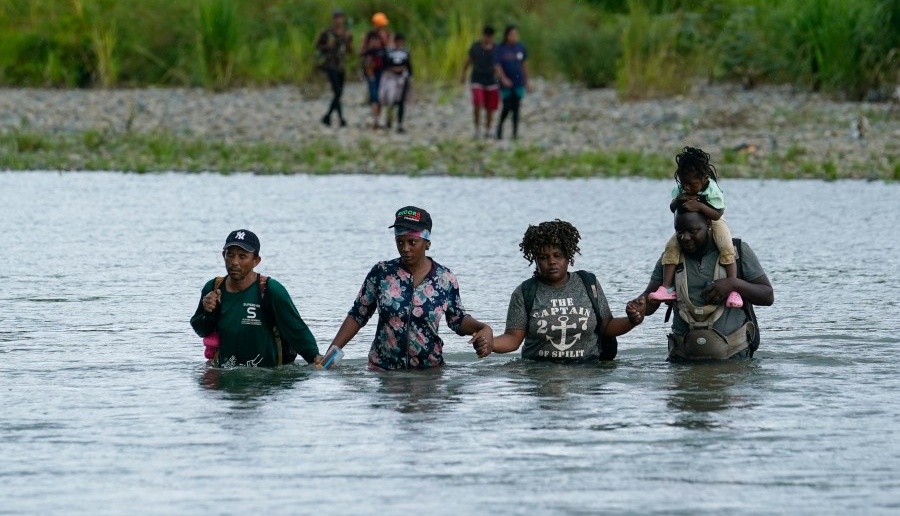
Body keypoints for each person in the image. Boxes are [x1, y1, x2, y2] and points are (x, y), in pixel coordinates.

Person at [324, 206, 494, 370]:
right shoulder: (382, 273)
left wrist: (481, 327)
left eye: (412, 242)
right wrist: (327, 358)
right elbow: (357, 316)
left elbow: (457, 319)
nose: (405, 249)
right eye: (400, 242)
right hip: (383, 371)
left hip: (429, 373)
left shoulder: (445, 279)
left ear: (427, 242)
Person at [626, 206, 774, 361]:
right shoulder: (671, 259)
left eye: (693, 231)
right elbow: (651, 301)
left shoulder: (737, 252)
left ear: (709, 225)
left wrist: (733, 284)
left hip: (734, 361)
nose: (685, 238)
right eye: (679, 232)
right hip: (682, 360)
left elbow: (767, 296)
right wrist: (638, 308)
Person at [489, 220, 643, 362]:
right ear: (535, 260)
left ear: (568, 257)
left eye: (558, 255)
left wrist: (632, 320)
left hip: (588, 372)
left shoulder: (589, 284)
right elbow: (512, 339)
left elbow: (607, 326)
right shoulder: (525, 292)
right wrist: (489, 343)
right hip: (540, 372)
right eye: (544, 257)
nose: (552, 261)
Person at [190, 230, 321, 368]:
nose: (234, 262)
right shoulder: (213, 287)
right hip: (226, 377)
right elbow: (201, 330)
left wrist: (314, 356)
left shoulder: (270, 290)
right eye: (230, 255)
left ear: (256, 261)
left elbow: (296, 330)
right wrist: (209, 313)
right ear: (223, 256)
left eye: (242, 256)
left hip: (268, 378)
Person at [648, 147, 743, 308]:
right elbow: (673, 208)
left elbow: (718, 213)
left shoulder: (712, 189)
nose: (687, 188)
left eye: (691, 184)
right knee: (671, 247)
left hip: (713, 221)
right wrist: (680, 200)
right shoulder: (683, 188)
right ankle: (667, 288)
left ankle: (734, 289)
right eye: (684, 183)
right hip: (690, 226)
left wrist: (699, 206)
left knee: (727, 247)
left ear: (704, 179)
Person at [315, 9, 353, 127]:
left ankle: (329, 117)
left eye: (340, 18)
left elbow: (350, 51)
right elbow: (317, 45)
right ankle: (339, 118)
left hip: (341, 65)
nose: (338, 20)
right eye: (336, 18)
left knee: (339, 93)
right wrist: (327, 46)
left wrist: (349, 42)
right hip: (330, 65)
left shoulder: (346, 33)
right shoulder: (327, 33)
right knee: (337, 92)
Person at [460, 25, 499, 139]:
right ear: (483, 36)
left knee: (490, 108)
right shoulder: (476, 47)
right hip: (477, 78)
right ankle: (477, 128)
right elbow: (468, 61)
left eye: (490, 37)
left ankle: (488, 129)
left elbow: (499, 64)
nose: (488, 39)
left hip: (491, 80)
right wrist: (463, 75)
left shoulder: (496, 48)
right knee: (478, 102)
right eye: (486, 36)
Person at [494, 24, 529, 140]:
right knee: (507, 106)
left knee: (516, 107)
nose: (514, 36)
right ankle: (499, 128)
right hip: (505, 83)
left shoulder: (520, 48)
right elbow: (498, 66)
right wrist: (503, 78)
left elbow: (524, 65)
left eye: (516, 34)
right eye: (512, 34)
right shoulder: (501, 48)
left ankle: (514, 133)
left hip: (518, 82)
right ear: (507, 35)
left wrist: (527, 81)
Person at [379, 32, 413, 133]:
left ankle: (399, 124)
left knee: (401, 101)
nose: (399, 43)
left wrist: (410, 77)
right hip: (391, 77)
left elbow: (409, 65)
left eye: (400, 42)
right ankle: (388, 119)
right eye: (397, 41)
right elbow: (384, 64)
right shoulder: (389, 52)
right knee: (390, 100)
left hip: (402, 77)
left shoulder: (406, 52)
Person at [360, 29, 387, 129]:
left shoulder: (383, 51)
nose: (375, 43)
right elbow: (361, 53)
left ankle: (377, 118)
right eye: (373, 41)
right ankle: (375, 119)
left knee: (380, 98)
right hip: (371, 76)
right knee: (374, 97)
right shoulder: (367, 52)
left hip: (382, 76)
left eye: (377, 40)